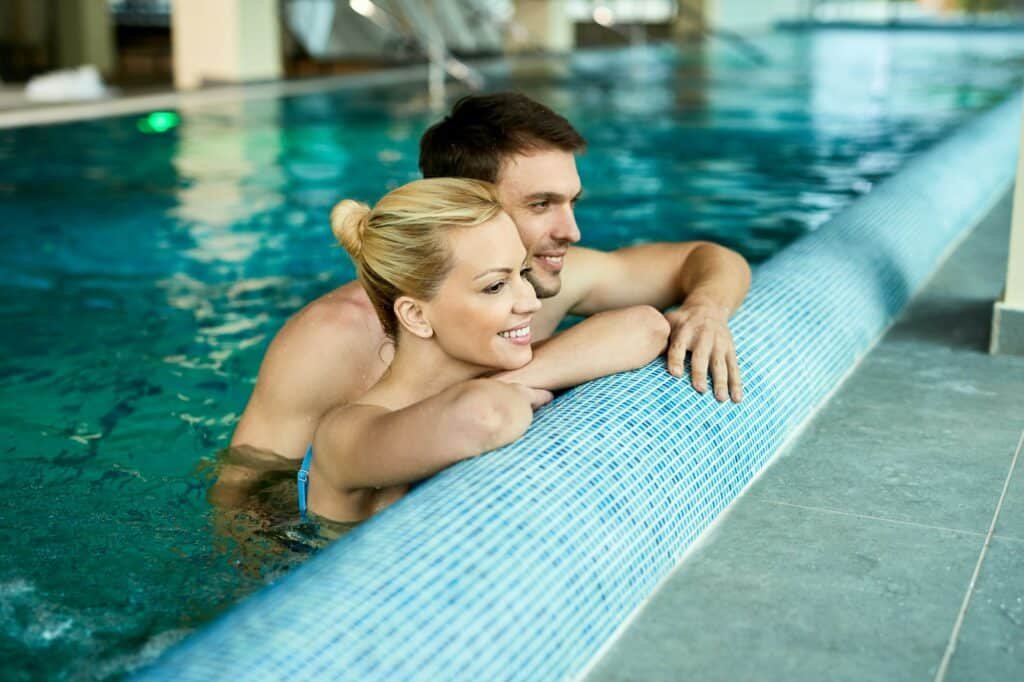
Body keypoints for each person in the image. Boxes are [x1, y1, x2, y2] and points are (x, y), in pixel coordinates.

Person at [230, 92, 751, 462]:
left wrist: (706, 308)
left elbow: (704, 258)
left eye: (571, 201)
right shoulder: (330, 338)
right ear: (462, 204)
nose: (570, 230)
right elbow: (246, 500)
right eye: (541, 204)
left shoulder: (546, 281)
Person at [298, 178, 669, 522]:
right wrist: (510, 386)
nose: (530, 303)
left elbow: (646, 327)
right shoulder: (343, 435)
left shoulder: (490, 369)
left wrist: (514, 379)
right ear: (415, 315)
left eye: (523, 274)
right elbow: (487, 416)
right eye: (495, 286)